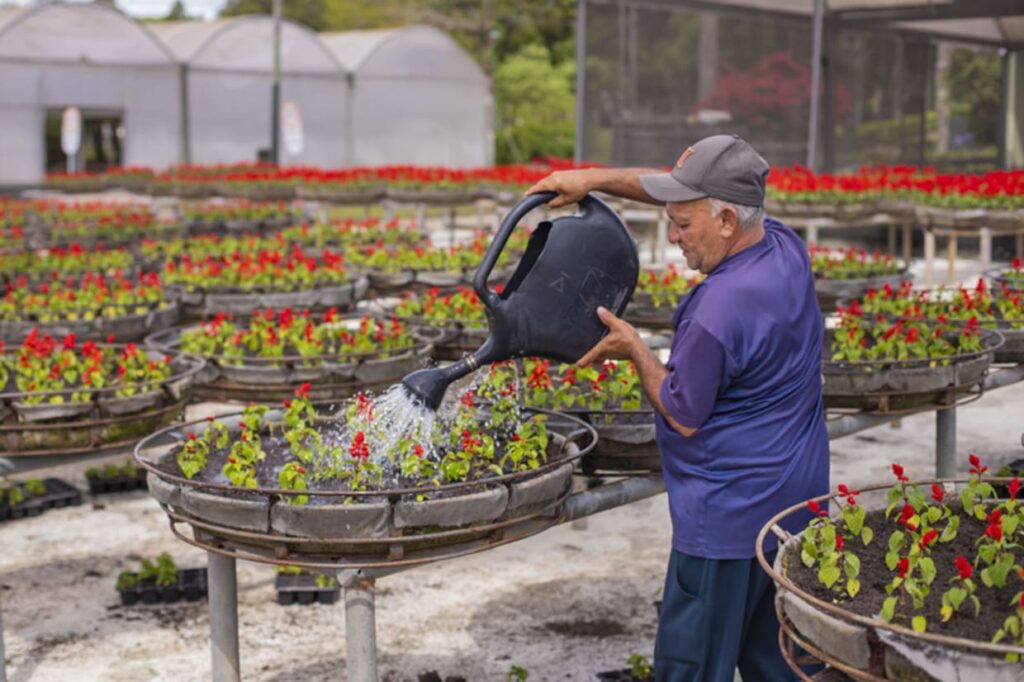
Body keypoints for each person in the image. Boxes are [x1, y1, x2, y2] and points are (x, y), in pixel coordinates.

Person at [527, 134, 829, 681]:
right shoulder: (785, 248)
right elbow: (686, 191)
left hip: (725, 527)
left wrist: (635, 349)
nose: (673, 238)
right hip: (796, 510)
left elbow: (683, 411)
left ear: (727, 222)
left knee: (692, 668)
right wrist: (593, 178)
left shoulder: (717, 307)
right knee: (782, 663)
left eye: (684, 226)